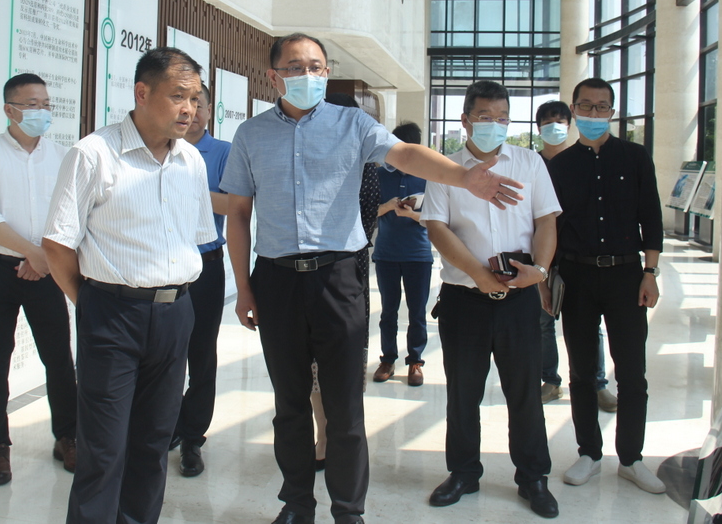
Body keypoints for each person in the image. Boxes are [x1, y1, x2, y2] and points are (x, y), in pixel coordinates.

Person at [221, 33, 524, 524]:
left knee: (345, 406)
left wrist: (463, 176)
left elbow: (405, 155)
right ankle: (296, 505)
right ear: (273, 76)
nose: (308, 75)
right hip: (276, 280)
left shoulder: (353, 123)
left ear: (326, 72)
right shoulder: (250, 135)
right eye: (295, 67)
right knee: (289, 404)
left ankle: (348, 511)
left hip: (338, 279)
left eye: (316, 67)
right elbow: (238, 215)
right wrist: (243, 287)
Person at [42, 48, 216, 524]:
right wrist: (90, 303)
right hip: (112, 315)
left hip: (175, 313)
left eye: (195, 99)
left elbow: (197, 238)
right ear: (142, 92)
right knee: (102, 450)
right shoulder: (94, 154)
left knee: (153, 444)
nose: (189, 109)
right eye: (178, 96)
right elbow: (57, 244)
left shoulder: (191, 161)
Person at [422, 80, 560, 519]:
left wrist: (539, 271)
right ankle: (463, 473)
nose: (495, 125)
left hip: (519, 297)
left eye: (503, 118)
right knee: (463, 393)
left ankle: (533, 477)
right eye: (485, 117)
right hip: (464, 299)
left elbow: (546, 220)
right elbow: (437, 227)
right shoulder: (446, 168)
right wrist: (480, 276)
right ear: (465, 120)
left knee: (525, 392)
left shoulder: (530, 162)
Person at [548, 77, 665, 494]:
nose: (593, 113)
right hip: (576, 276)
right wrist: (546, 279)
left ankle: (631, 458)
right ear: (574, 110)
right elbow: (550, 226)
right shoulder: (559, 165)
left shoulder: (635, 157)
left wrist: (650, 272)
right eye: (586, 106)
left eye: (601, 107)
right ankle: (589, 453)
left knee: (632, 372)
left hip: (626, 275)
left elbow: (651, 215)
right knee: (581, 372)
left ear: (612, 112)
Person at [0, 72, 78, 486]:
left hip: (45, 270)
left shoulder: (63, 156)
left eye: (46, 104)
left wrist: (42, 257)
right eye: (32, 105)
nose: (41, 112)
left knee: (58, 358)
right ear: (9, 110)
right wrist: (31, 251)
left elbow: (69, 215)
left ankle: (68, 436)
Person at [309, 92, 381, 471]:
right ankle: (323, 435)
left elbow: (366, 221)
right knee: (312, 366)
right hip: (300, 275)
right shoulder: (303, 160)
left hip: (347, 271)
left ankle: (340, 436)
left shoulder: (364, 165)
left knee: (343, 360)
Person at [535, 101, 617, 413]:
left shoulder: (582, 161)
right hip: (542, 254)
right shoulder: (533, 164)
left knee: (590, 325)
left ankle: (597, 383)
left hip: (578, 255)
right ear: (539, 127)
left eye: (560, 121)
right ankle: (550, 380)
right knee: (543, 322)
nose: (554, 127)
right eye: (548, 121)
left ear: (569, 125)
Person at [170, 83, 231, 477]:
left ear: (209, 111)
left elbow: (234, 204)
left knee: (201, 353)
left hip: (206, 264)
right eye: (184, 102)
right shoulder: (161, 147)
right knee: (165, 352)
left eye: (199, 104)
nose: (192, 111)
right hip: (164, 263)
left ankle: (193, 437)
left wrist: (189, 189)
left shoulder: (222, 152)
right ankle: (168, 426)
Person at [372, 122, 433, 387]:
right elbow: (366, 212)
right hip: (386, 253)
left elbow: (436, 218)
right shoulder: (379, 175)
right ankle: (387, 359)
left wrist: (411, 214)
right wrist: (387, 207)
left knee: (417, 312)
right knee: (388, 311)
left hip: (418, 255)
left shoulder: (428, 177)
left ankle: (415, 361)